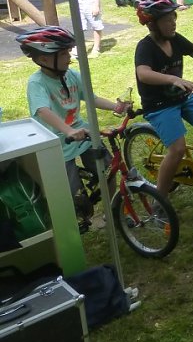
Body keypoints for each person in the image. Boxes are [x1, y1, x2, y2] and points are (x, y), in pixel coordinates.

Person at [19, 26, 129, 212]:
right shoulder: (37, 83)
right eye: (64, 54)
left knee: (108, 171)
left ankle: (111, 214)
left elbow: (91, 98)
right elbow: (43, 110)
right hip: (56, 141)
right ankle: (80, 213)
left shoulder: (72, 75)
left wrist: (115, 106)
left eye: (68, 52)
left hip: (82, 132)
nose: (69, 57)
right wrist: (68, 130)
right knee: (74, 194)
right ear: (44, 59)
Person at [135, 0, 193, 199]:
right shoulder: (145, 47)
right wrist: (172, 78)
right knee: (177, 149)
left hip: (182, 98)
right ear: (152, 24)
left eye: (174, 17)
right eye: (167, 20)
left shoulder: (175, 39)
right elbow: (143, 73)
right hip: (159, 106)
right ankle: (160, 199)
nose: (173, 22)